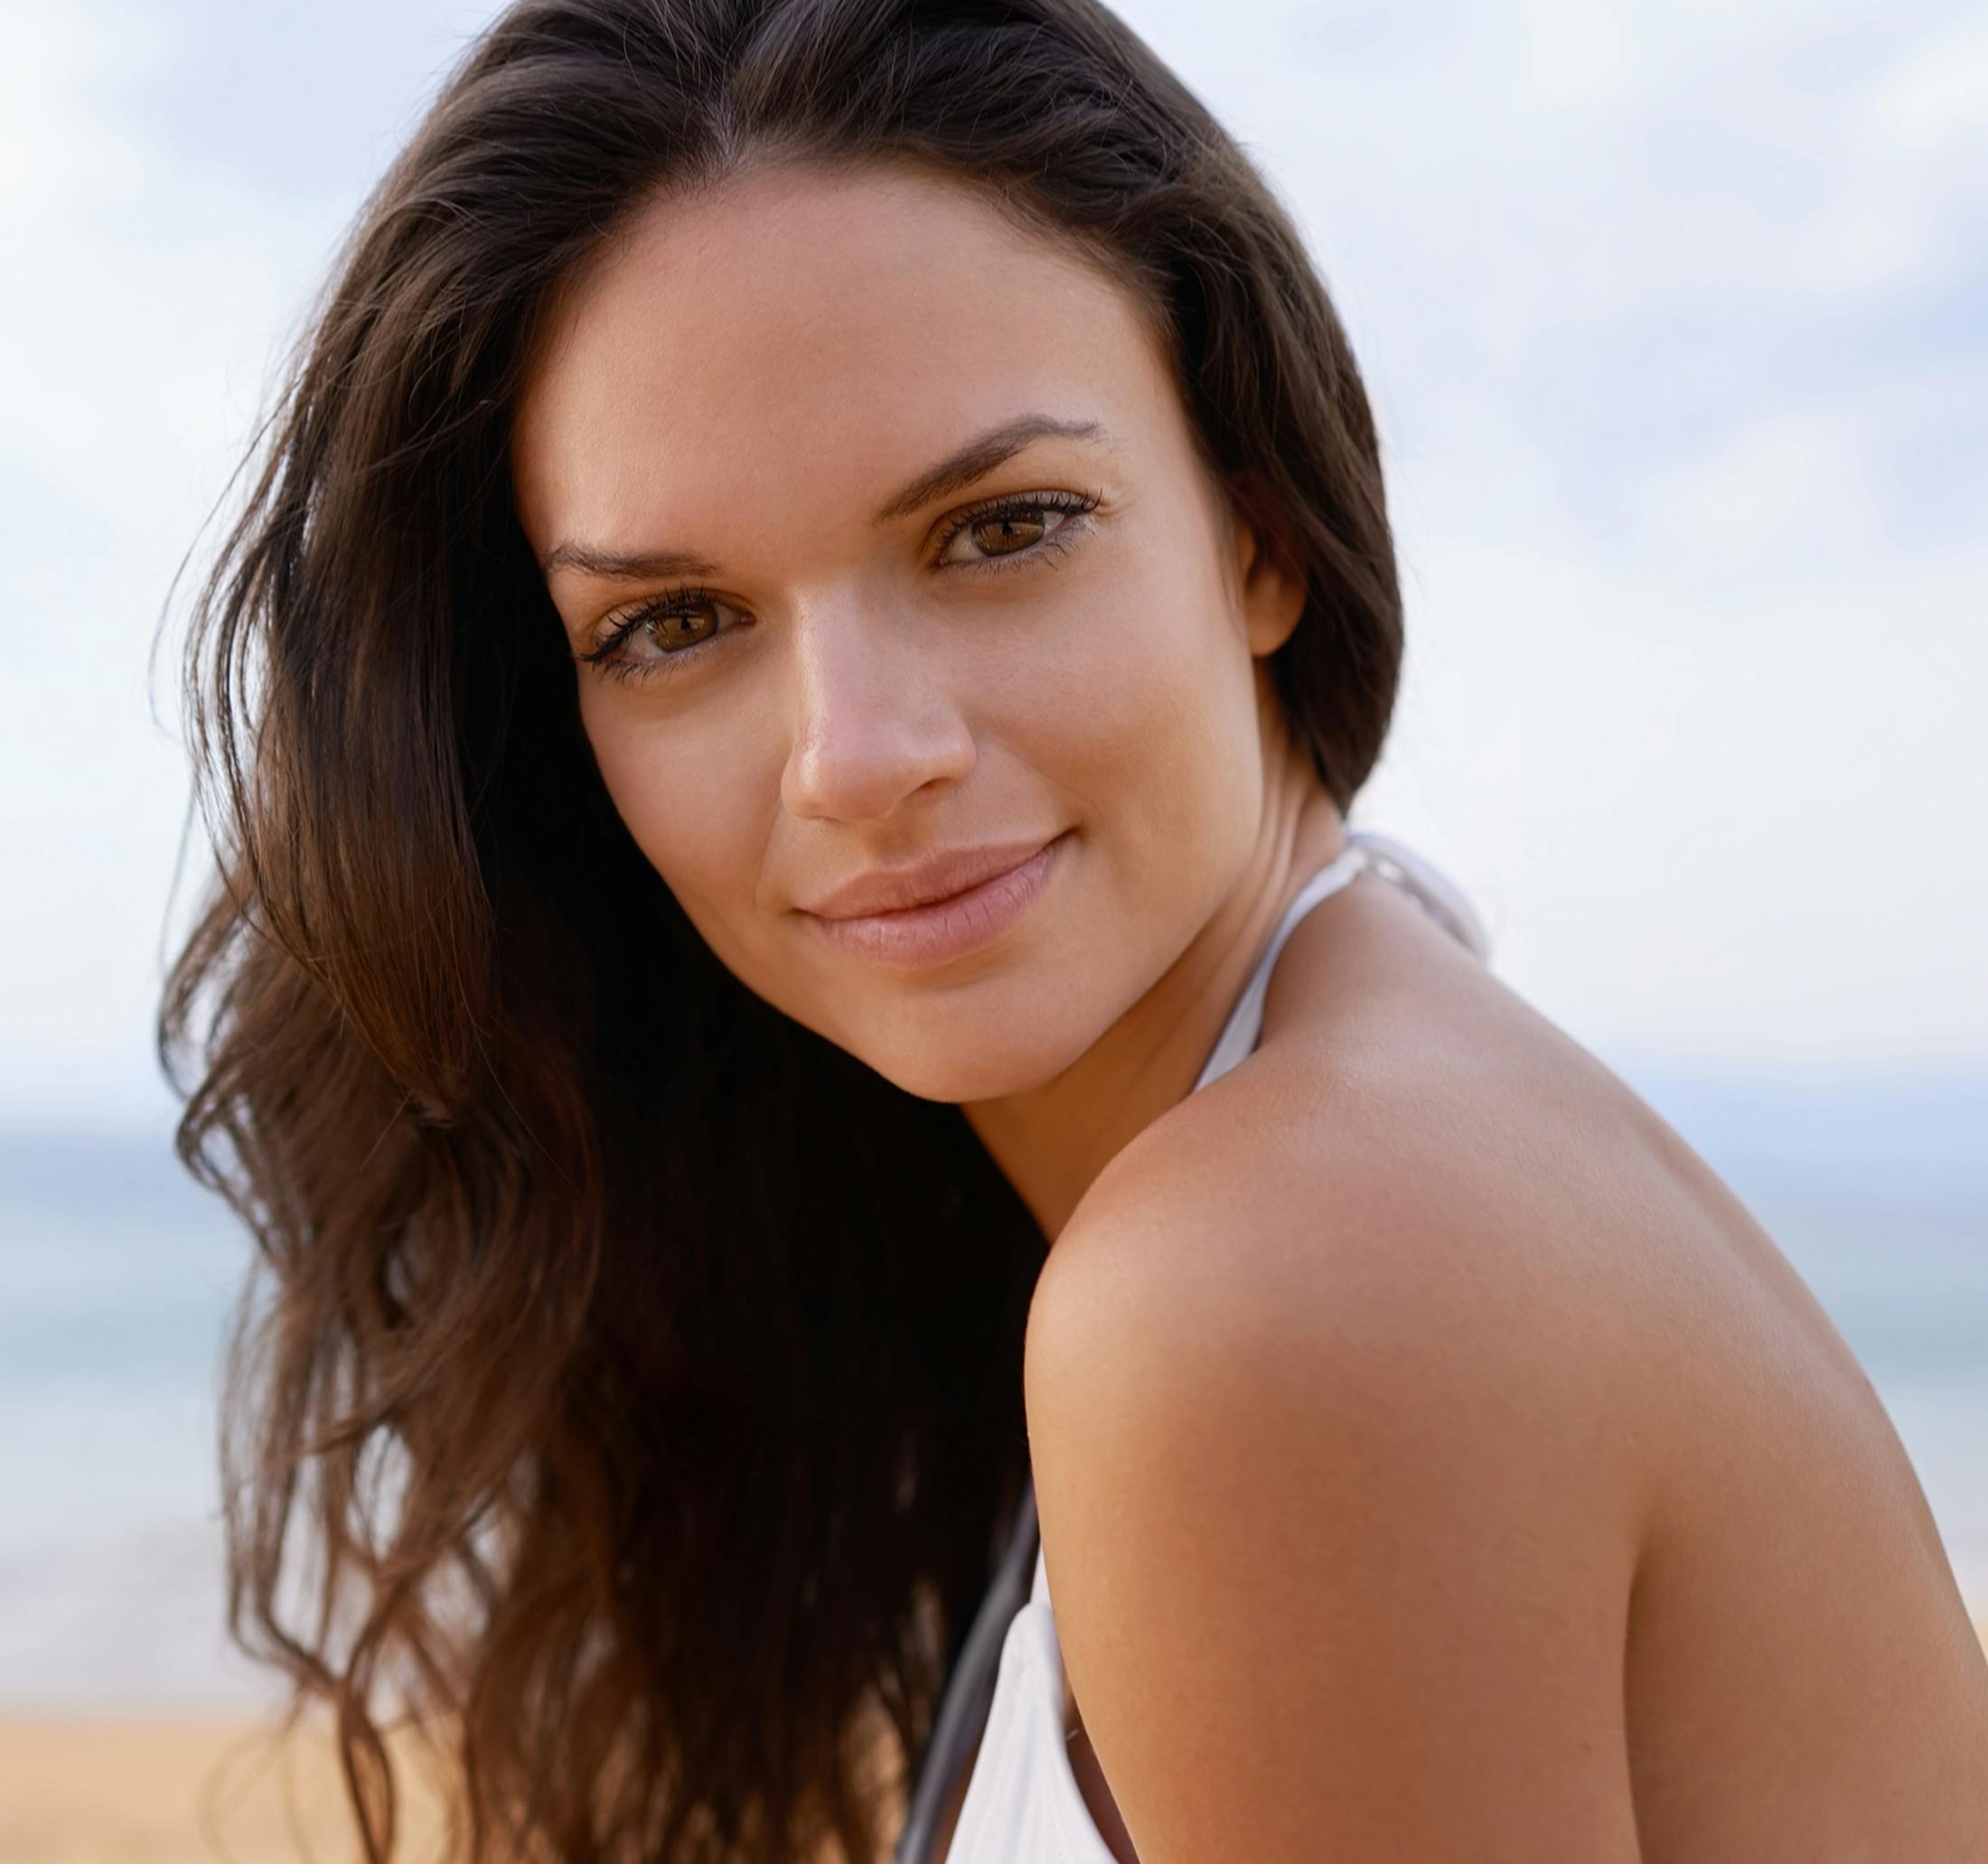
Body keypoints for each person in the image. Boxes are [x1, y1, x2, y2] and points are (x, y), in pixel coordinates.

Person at [157, 2, 1988, 1860]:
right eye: (675, 625)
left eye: (1003, 525)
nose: (859, 759)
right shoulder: (1357, 1098)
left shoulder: (1270, 1282)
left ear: (1255, 526)